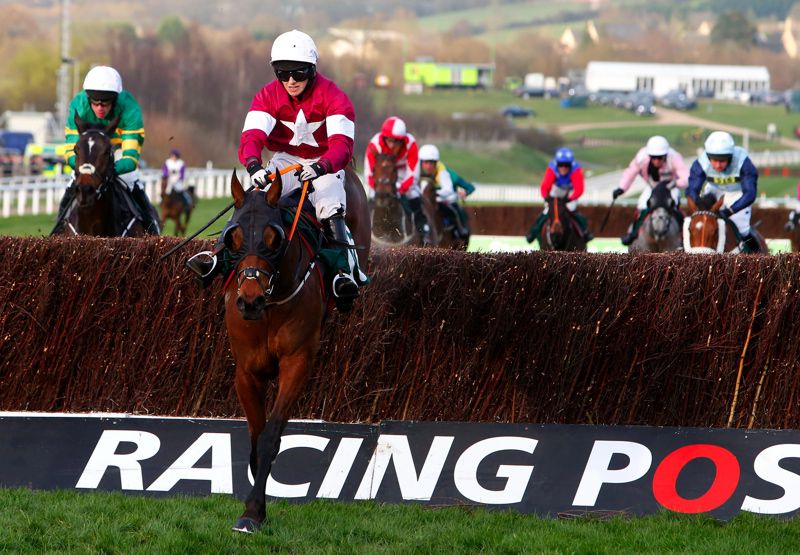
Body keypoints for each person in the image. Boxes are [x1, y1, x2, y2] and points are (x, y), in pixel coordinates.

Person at [186, 29, 365, 308]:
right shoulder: (267, 96)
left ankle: (343, 274)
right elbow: (252, 137)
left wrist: (322, 167)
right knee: (252, 198)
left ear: (312, 70)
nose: (291, 81)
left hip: (325, 163)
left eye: (299, 73)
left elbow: (343, 145)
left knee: (330, 202)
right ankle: (217, 256)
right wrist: (254, 164)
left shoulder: (335, 97)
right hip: (285, 160)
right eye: (283, 73)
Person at [54, 65, 159, 234]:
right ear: (89, 99)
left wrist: (107, 170)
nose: (100, 108)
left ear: (115, 99)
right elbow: (71, 153)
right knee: (71, 183)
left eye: (105, 103)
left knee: (132, 180)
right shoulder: (78, 106)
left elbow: (130, 158)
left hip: (115, 152)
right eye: (95, 103)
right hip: (87, 157)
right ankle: (57, 232)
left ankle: (152, 231)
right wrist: (86, 170)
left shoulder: (129, 108)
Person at [687, 131, 761, 253]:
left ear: (731, 156)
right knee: (698, 222)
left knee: (743, 229)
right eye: (713, 160)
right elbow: (692, 190)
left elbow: (750, 194)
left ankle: (757, 255)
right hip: (714, 191)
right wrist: (697, 206)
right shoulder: (701, 163)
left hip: (739, 194)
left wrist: (729, 211)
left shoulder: (743, 162)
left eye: (722, 160)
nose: (717, 165)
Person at [363, 116, 429, 242]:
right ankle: (365, 227)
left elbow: (413, 174)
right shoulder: (375, 144)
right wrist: (377, 187)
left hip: (403, 173)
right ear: (384, 138)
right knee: (372, 196)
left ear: (402, 140)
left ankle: (422, 228)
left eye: (396, 141)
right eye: (389, 140)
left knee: (413, 194)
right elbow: (368, 173)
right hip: (383, 176)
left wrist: (400, 188)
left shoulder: (411, 143)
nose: (392, 145)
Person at [614, 135, 689, 246]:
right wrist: (622, 188)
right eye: (653, 157)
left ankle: (683, 238)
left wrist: (676, 183)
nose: (656, 161)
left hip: (670, 187)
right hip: (652, 187)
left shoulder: (674, 157)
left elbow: (686, 177)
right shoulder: (641, 157)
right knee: (642, 206)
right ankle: (633, 234)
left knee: (674, 208)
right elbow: (631, 172)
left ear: (665, 155)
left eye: (660, 157)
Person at [525, 147, 593, 243]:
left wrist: (570, 199)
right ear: (557, 164)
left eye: (566, 165)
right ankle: (534, 232)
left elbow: (579, 189)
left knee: (571, 209)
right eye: (561, 165)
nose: (564, 168)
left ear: (571, 164)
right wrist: (546, 198)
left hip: (571, 192)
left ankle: (585, 232)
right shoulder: (552, 168)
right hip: (557, 190)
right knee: (547, 210)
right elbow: (545, 187)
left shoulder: (576, 169)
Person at [415, 143, 473, 241]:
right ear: (421, 162)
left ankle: (461, 231)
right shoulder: (416, 169)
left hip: (440, 199)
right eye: (426, 162)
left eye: (432, 163)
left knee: (453, 211)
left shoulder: (442, 171)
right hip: (422, 199)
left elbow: (448, 190)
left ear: (436, 163)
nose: (429, 166)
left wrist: (434, 194)